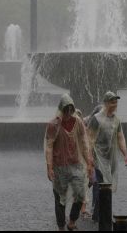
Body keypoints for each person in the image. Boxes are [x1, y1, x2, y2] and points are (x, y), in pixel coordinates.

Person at [45, 94, 93, 231]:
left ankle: (72, 221)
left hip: (75, 164)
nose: (68, 112)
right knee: (60, 198)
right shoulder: (53, 125)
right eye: (66, 109)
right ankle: (61, 226)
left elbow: (84, 142)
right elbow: (49, 147)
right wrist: (49, 167)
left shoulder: (78, 122)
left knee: (80, 193)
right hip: (59, 165)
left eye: (70, 109)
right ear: (61, 108)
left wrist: (89, 162)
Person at [88, 91, 127, 222]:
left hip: (110, 158)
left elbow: (120, 137)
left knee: (107, 187)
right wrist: (89, 159)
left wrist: (125, 154)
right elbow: (89, 139)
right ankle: (104, 215)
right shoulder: (96, 119)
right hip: (98, 157)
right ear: (106, 103)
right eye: (112, 101)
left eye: (116, 101)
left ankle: (97, 215)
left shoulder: (116, 120)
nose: (115, 104)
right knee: (104, 186)